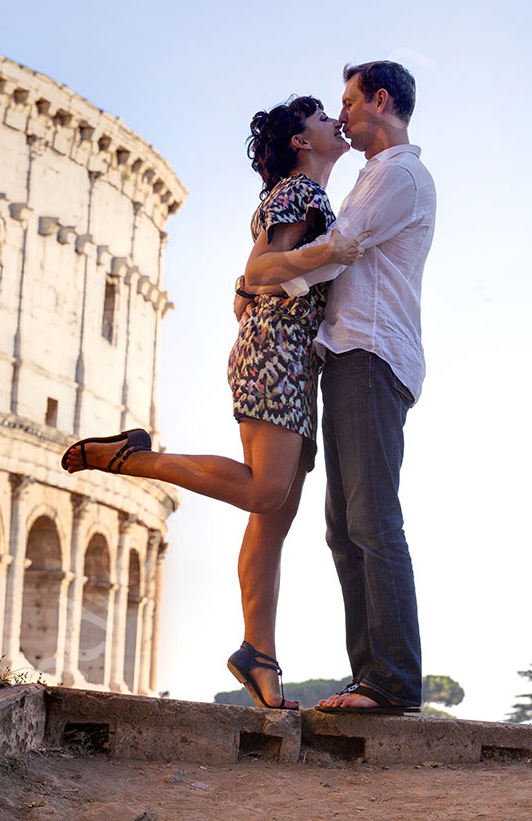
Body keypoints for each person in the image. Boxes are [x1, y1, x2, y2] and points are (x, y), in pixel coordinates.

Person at [61, 96, 367, 709]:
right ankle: (130, 458)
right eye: (318, 116)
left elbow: (248, 279)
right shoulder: (298, 194)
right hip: (275, 352)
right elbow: (259, 272)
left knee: (271, 521)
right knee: (263, 493)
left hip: (291, 358)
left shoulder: (307, 196)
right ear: (301, 141)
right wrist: (328, 252)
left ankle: (260, 655)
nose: (333, 119)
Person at [246, 62, 436, 714]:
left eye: (350, 103)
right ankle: (374, 676)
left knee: (371, 519)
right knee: (345, 525)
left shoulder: (399, 174)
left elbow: (343, 246)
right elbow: (330, 259)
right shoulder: (372, 177)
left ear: (381, 101)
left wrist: (263, 277)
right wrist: (271, 285)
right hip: (350, 355)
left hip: (370, 353)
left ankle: (391, 681)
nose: (344, 114)